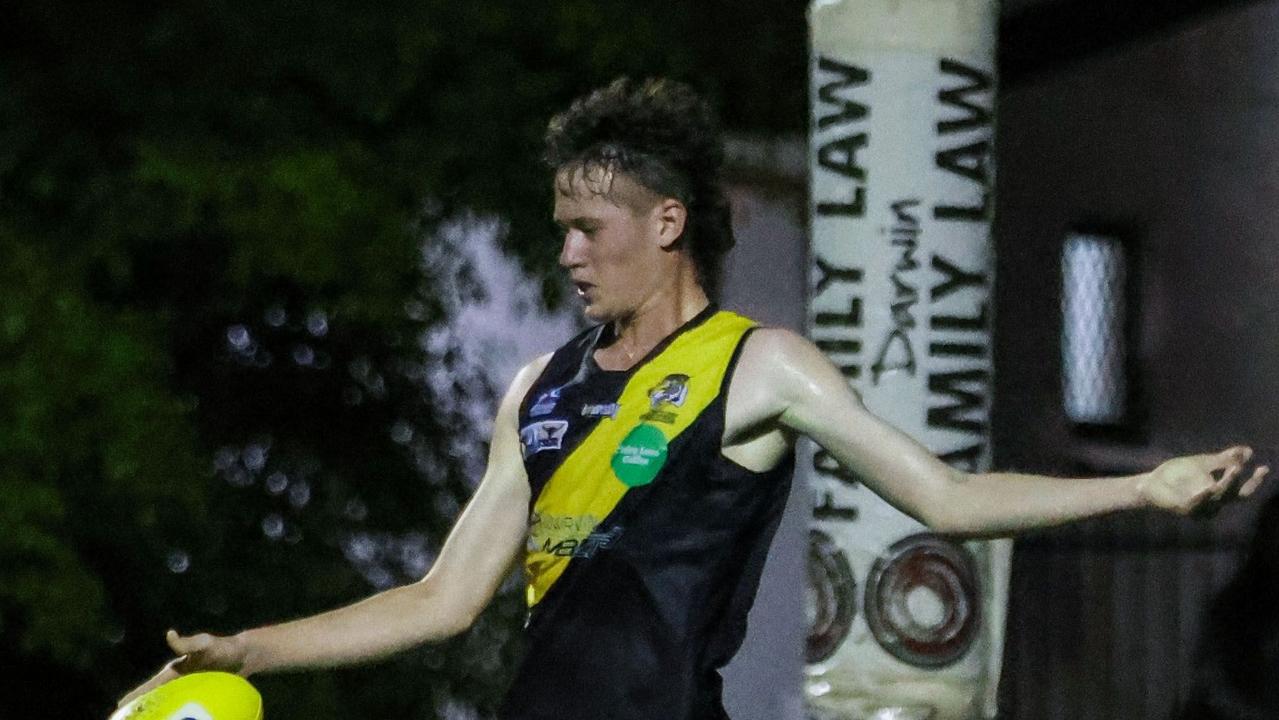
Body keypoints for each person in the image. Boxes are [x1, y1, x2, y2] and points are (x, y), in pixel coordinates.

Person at [121, 78, 1269, 720]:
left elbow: (948, 496)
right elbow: (441, 597)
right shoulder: (543, 386)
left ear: (665, 223)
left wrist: (1140, 484)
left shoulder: (756, 366)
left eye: (589, 227)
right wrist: (248, 654)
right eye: (560, 226)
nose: (567, 252)